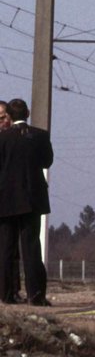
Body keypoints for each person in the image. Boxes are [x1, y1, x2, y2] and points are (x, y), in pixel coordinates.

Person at [0, 99, 54, 307]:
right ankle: (36, 295)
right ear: (28, 113)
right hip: (33, 198)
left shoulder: (2, 138)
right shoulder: (40, 136)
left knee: (6, 247)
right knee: (31, 246)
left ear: (9, 117)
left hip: (6, 199)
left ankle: (6, 294)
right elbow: (46, 162)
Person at [0, 100, 19, 304]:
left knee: (10, 248)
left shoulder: (13, 140)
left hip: (7, 202)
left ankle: (11, 290)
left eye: (3, 117)